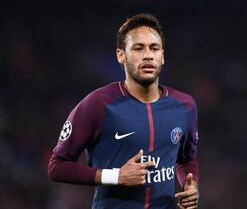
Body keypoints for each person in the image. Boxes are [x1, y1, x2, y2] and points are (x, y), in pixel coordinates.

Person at [48, 13, 200, 209]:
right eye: (138, 48)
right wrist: (116, 176)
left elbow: (187, 159)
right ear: (121, 55)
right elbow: (57, 167)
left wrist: (191, 185)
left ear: (162, 56)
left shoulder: (185, 106)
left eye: (154, 48)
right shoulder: (97, 104)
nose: (148, 55)